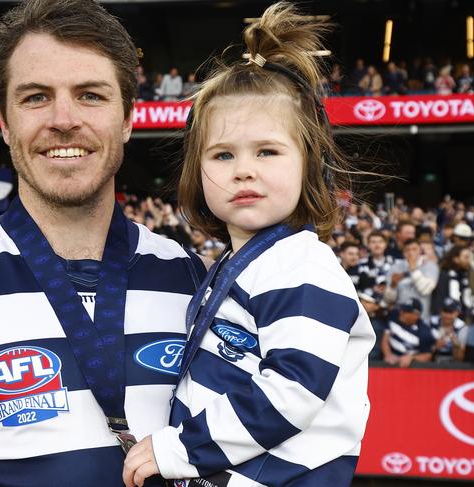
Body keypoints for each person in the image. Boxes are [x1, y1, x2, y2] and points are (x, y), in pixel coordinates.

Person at [0, 1, 206, 486]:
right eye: (35, 97)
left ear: (128, 119)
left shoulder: (194, 277)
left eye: (90, 95)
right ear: (5, 123)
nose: (63, 119)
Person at [123, 3, 375, 486]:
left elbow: (293, 391)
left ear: (309, 162)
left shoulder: (303, 265)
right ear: (198, 174)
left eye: (267, 151)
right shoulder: (244, 261)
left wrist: (179, 449)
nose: (243, 169)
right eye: (222, 154)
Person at [381, 298, 434, 367]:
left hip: (411, 368)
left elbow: (427, 356)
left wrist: (412, 358)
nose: (401, 312)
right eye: (402, 309)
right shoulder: (393, 316)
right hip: (388, 364)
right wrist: (388, 354)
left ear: (416, 315)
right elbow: (385, 339)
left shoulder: (424, 331)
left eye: (406, 311)